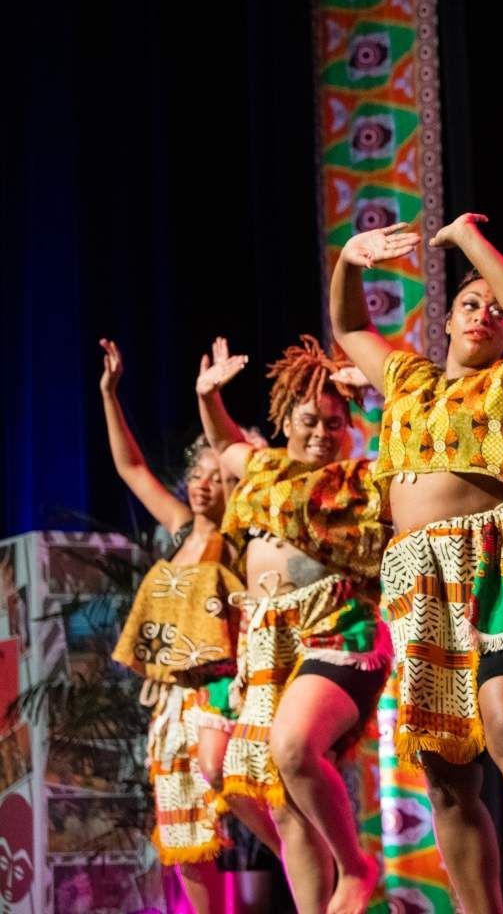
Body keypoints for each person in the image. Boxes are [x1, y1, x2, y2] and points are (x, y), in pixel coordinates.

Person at [330, 213, 503, 913]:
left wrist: (467, 241)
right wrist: (350, 261)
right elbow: (350, 327)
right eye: (468, 303)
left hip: (497, 563)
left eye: (495, 307)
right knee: (446, 772)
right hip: (419, 584)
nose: (485, 314)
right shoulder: (407, 381)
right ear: (446, 323)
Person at [199, 336, 390, 914]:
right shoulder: (262, 473)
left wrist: (377, 404)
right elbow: (226, 443)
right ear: (284, 419)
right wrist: (209, 398)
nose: (321, 433)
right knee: (278, 800)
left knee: (293, 747)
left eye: (335, 423)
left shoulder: (363, 480)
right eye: (309, 420)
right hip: (269, 647)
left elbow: (414, 451)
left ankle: (356, 867)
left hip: (340, 631)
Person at [99, 340, 261, 913]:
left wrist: (211, 400)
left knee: (242, 794)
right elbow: (132, 468)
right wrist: (110, 394)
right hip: (171, 699)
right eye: (198, 473)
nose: (202, 484)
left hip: (223, 688)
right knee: (185, 828)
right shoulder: (178, 531)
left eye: (217, 477)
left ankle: (319, 876)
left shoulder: (239, 538)